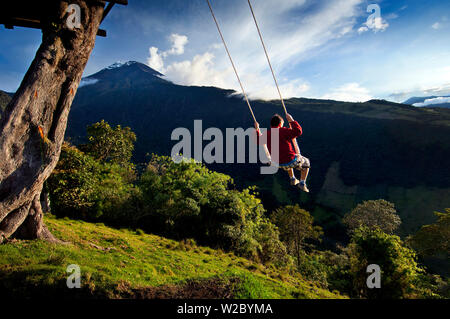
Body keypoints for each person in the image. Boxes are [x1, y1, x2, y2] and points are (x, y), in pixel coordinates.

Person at [255, 113, 310, 192]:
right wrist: (291, 120)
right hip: (289, 161)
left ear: (271, 125)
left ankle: (292, 178)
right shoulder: (284, 131)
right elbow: (298, 132)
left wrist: (257, 129)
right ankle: (302, 183)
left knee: (286, 157)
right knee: (306, 163)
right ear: (280, 124)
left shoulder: (267, 134)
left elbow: (258, 141)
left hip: (276, 163)